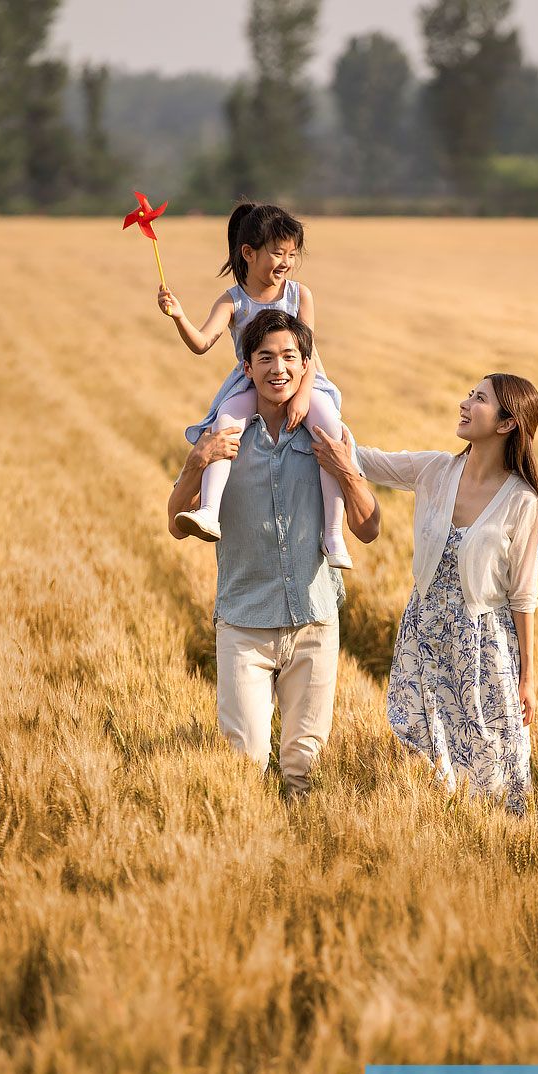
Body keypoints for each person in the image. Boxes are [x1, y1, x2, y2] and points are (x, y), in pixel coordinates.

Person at [312, 374, 538, 815]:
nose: (465, 403)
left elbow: (523, 595)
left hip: (482, 645)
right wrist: (310, 391)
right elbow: (362, 461)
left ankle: (491, 845)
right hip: (423, 630)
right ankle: (431, 830)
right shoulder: (435, 469)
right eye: (469, 393)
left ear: (506, 424)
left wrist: (528, 676)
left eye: (479, 399)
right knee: (422, 748)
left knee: (490, 761)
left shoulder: (523, 502)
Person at [168, 308, 379, 797]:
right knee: (245, 762)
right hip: (245, 623)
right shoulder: (224, 439)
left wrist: (346, 471)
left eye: (289, 357)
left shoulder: (329, 435)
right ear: (246, 368)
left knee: (304, 769)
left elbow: (369, 529)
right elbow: (175, 523)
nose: (277, 368)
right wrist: (195, 462)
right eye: (265, 357)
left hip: (314, 621)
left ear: (307, 367)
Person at [158, 201, 353, 569]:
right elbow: (201, 343)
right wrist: (179, 315)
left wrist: (303, 398)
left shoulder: (300, 294)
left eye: (292, 254)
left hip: (306, 379)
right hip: (252, 382)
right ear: (249, 253)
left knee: (328, 427)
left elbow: (308, 354)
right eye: (278, 253)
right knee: (226, 420)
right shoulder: (233, 301)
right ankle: (209, 512)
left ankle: (333, 534)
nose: (286, 262)